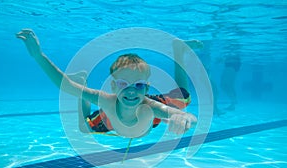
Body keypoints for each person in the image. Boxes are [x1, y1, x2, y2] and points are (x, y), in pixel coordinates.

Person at [16, 29, 197, 138]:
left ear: (147, 87)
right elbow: (67, 86)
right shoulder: (106, 101)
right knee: (84, 128)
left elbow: (182, 115)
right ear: (113, 86)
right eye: (124, 84)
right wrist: (39, 56)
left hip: (150, 112)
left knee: (185, 99)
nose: (132, 91)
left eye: (139, 85)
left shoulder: (150, 106)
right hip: (113, 119)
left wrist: (183, 117)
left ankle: (178, 50)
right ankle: (82, 80)